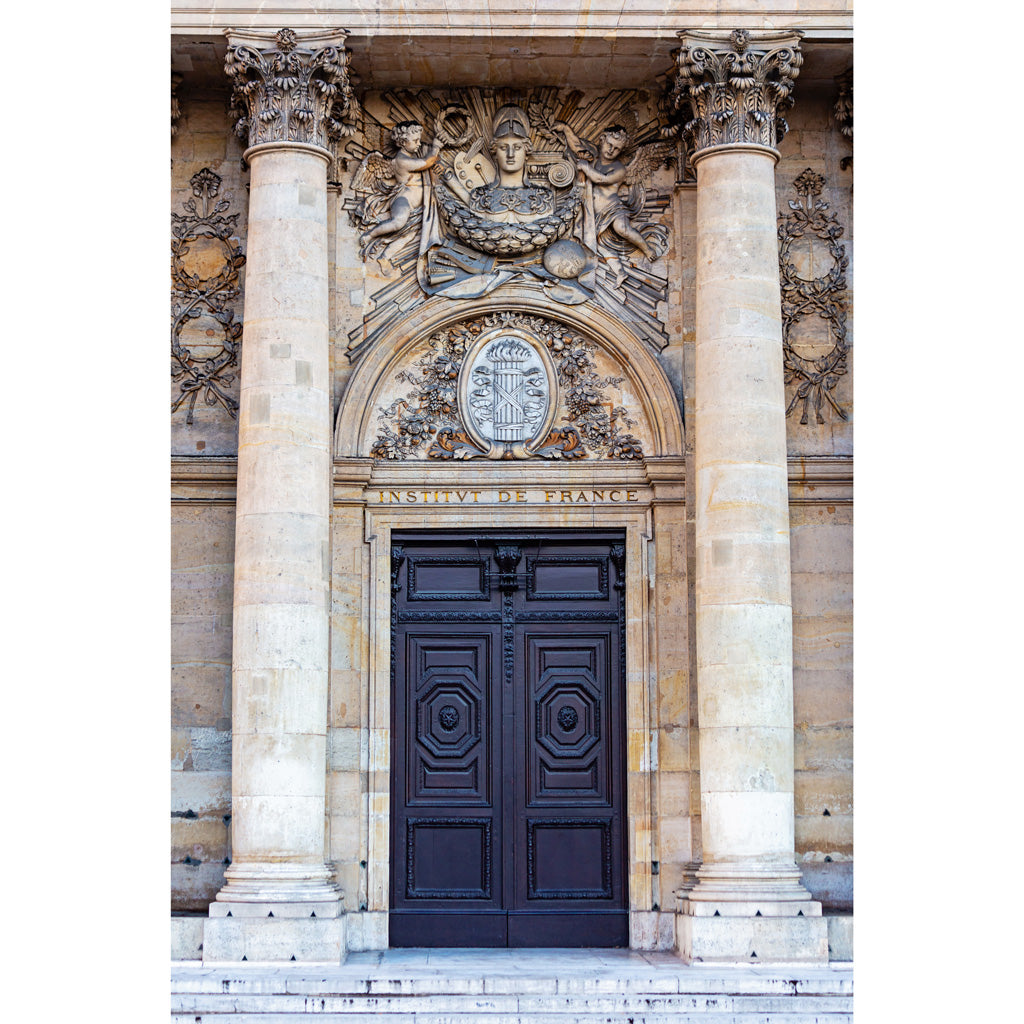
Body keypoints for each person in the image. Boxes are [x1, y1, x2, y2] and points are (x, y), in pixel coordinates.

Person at [356, 121, 444, 262]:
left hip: (420, 208)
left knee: (409, 236)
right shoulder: (402, 161)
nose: (419, 144)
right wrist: (436, 147)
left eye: (419, 140)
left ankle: (385, 257)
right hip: (404, 201)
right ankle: (369, 235)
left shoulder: (413, 155)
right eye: (415, 141)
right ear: (403, 142)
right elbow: (427, 162)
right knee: (398, 222)